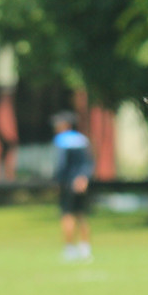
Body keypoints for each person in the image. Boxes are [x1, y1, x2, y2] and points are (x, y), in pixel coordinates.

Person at [51, 111, 95, 262]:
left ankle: (69, 249)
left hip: (68, 183)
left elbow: (61, 165)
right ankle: (85, 248)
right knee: (81, 215)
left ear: (66, 125)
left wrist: (57, 181)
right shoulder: (82, 139)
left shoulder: (61, 140)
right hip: (82, 182)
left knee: (67, 215)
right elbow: (89, 162)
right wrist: (84, 178)